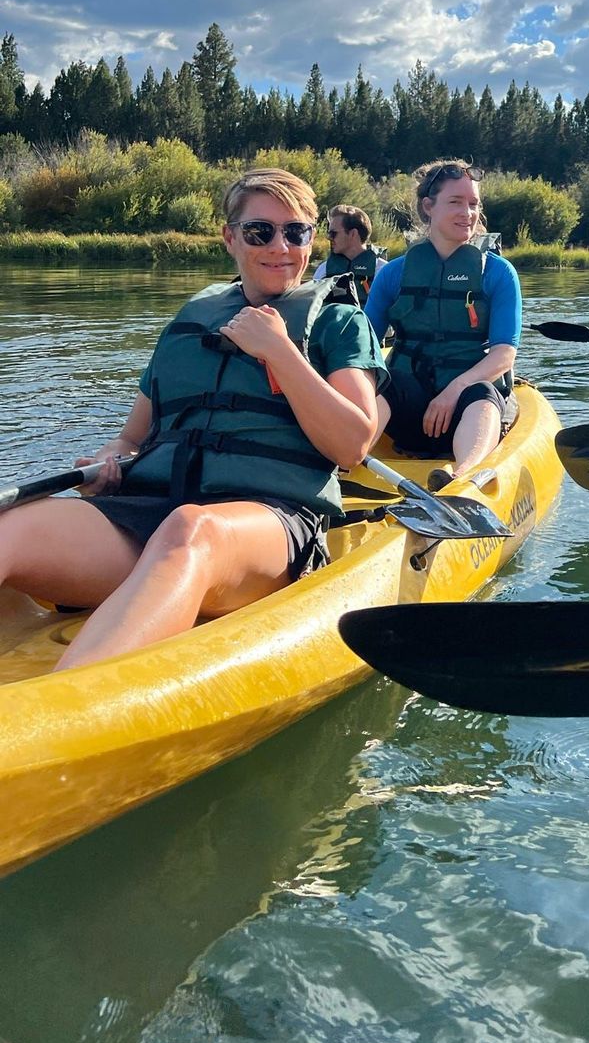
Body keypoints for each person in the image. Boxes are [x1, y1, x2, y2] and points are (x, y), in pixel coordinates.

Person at [0, 168, 387, 670]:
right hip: (153, 514)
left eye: (296, 232)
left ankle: (57, 708)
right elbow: (131, 438)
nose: (281, 246)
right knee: (12, 524)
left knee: (191, 529)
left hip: (267, 526)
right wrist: (107, 461)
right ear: (230, 237)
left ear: (311, 240)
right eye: (260, 231)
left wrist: (280, 351)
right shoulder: (192, 321)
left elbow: (352, 445)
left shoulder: (340, 323)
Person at [365, 159, 520, 488]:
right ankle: (343, 462)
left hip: (467, 407)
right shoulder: (393, 274)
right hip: (410, 413)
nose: (468, 213)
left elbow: (504, 354)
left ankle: (462, 477)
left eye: (473, 204)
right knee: (386, 384)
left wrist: (454, 390)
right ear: (428, 206)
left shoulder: (498, 273)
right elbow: (362, 350)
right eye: (456, 202)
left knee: (481, 391)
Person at [314, 204, 385, 300]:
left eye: (333, 233)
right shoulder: (323, 270)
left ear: (353, 234)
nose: (329, 238)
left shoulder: (382, 271)